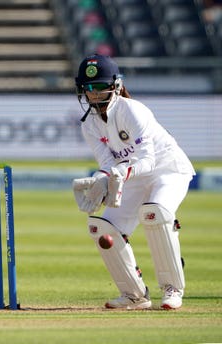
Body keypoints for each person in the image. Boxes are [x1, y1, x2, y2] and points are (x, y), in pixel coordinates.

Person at [72, 54, 195, 310]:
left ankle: (172, 289)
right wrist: (100, 180)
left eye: (99, 87)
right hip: (132, 176)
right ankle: (134, 295)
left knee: (154, 213)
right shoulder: (90, 124)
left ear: (115, 85)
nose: (94, 94)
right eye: (89, 88)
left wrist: (120, 174)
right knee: (101, 228)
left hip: (168, 170)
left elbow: (147, 160)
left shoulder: (132, 110)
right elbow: (107, 163)